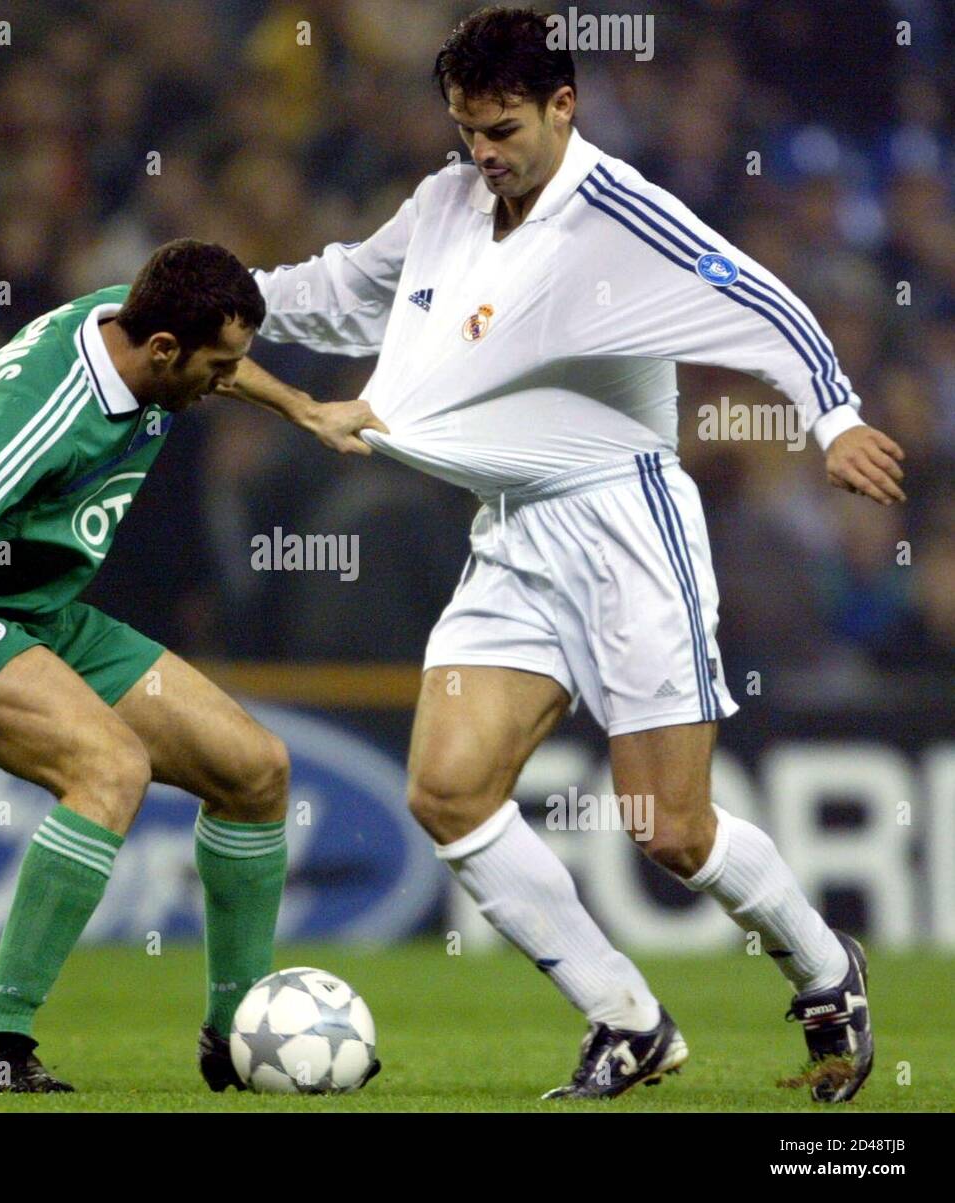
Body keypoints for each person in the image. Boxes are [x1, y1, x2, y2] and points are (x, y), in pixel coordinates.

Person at [224, 6, 903, 1102]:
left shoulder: (623, 218)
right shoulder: (449, 202)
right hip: (513, 532)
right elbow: (349, 289)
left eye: (500, 129)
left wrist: (833, 421)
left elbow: (763, 297)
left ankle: (826, 972)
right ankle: (624, 1021)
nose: (482, 153)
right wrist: (227, 295)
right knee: (447, 791)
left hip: (626, 529)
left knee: (667, 830)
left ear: (561, 105)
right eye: (464, 131)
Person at [0, 239, 380, 1093]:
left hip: (39, 608)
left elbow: (227, 364)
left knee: (256, 769)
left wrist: (305, 408)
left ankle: (235, 1034)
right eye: (214, 366)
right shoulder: (42, 411)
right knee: (109, 767)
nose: (224, 380)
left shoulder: (141, 314)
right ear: (161, 353)